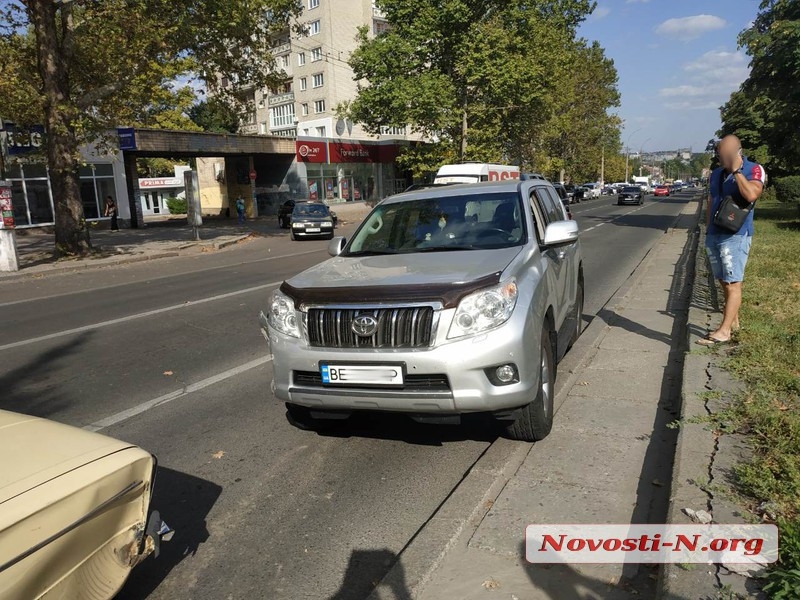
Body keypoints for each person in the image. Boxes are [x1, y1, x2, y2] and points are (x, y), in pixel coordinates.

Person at [697, 134, 766, 346]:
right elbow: (712, 199)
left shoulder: (754, 169)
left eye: (727, 156)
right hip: (715, 234)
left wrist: (736, 171)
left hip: (736, 235)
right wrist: (708, 229)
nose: (723, 161)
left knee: (733, 281)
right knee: (722, 278)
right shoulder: (717, 173)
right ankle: (733, 319)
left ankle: (725, 331)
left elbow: (752, 195)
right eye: (720, 156)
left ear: (739, 152)